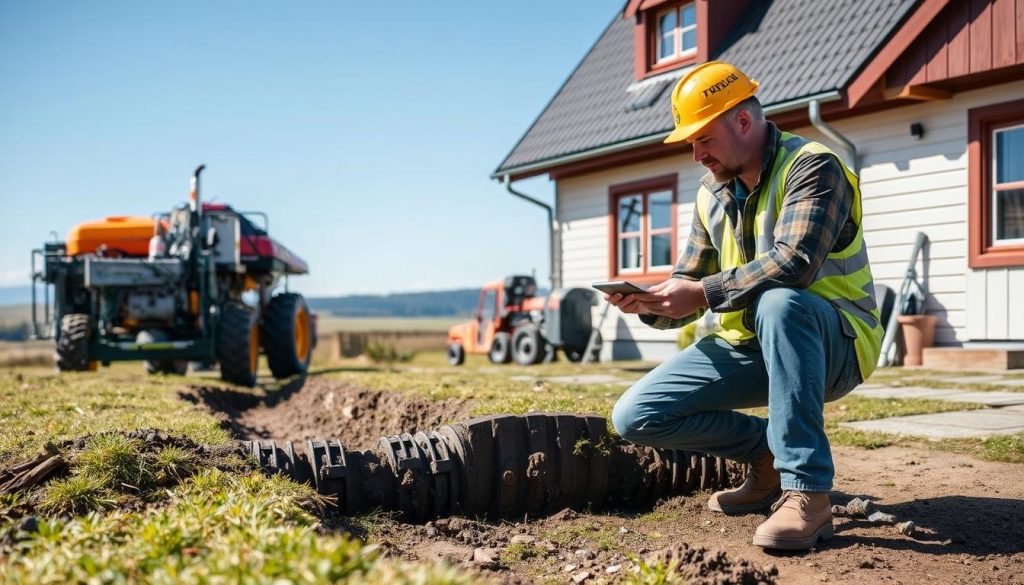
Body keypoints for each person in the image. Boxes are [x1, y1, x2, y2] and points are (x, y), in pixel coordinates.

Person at [607, 61, 883, 551]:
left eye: (704, 139)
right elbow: (692, 281)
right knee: (636, 416)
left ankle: (807, 493)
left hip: (835, 342)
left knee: (780, 303)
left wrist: (702, 292)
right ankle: (766, 457)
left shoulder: (813, 166)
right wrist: (653, 302)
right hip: (751, 344)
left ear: (742, 121)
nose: (696, 154)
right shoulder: (710, 193)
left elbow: (795, 262)